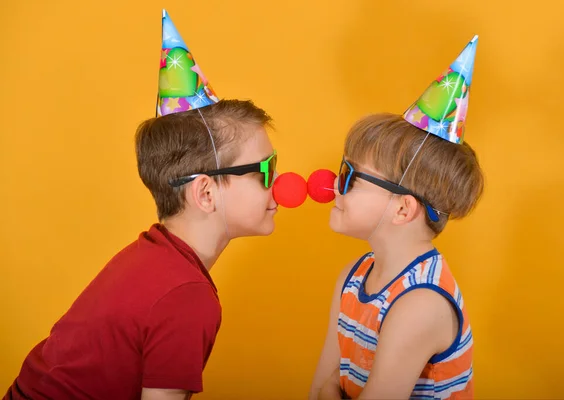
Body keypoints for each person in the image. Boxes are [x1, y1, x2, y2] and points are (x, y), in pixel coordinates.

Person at [4, 10, 278, 400]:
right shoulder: (186, 294)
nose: (279, 184)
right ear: (205, 193)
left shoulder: (152, 253)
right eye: (265, 169)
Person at [310, 36, 483, 399]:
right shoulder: (352, 277)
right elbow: (321, 384)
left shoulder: (419, 305)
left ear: (403, 208)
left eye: (349, 176)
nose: (332, 185)